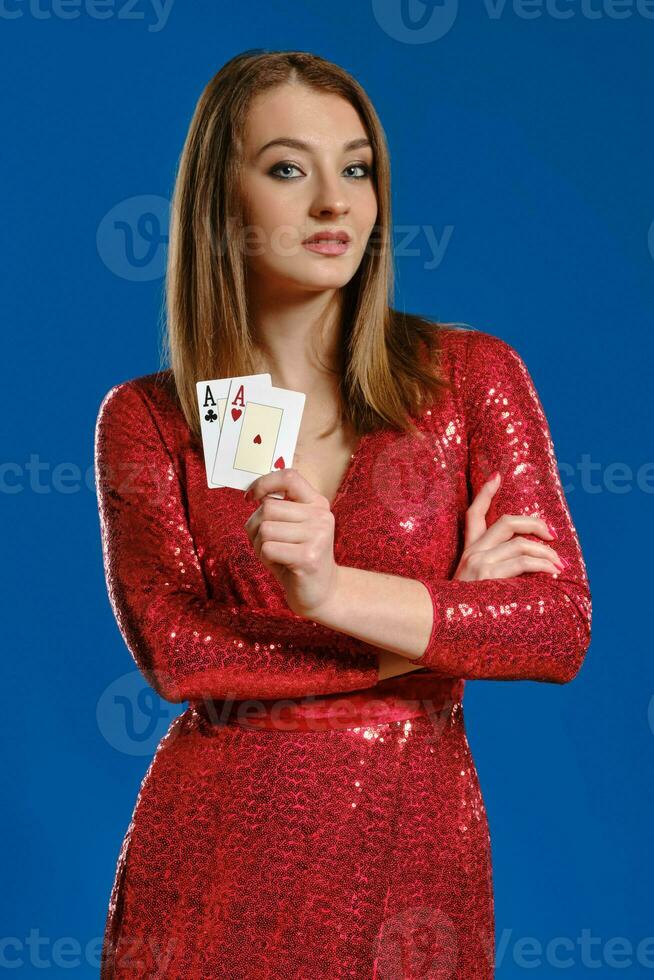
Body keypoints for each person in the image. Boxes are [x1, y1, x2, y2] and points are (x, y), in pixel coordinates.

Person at [95, 50, 592, 980]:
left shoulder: (469, 379)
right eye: (289, 168)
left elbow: (555, 629)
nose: (335, 203)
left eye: (356, 168)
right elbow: (182, 654)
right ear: (221, 201)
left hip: (411, 862)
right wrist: (436, 627)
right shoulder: (157, 417)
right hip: (213, 865)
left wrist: (326, 589)